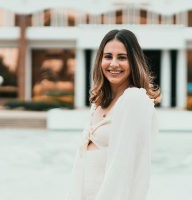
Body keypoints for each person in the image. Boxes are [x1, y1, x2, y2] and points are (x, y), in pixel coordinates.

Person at [66, 29, 161, 200]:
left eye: (122, 58)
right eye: (108, 56)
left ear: (134, 62)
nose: (114, 64)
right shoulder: (98, 103)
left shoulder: (135, 100)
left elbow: (124, 169)